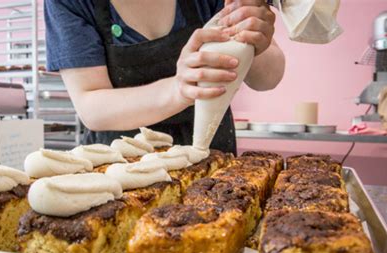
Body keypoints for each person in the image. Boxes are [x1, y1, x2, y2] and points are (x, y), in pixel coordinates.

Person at [45, 0, 285, 154]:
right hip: (119, 173)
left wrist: (255, 39)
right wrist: (178, 90)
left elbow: (268, 78)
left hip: (212, 165)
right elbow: (92, 108)